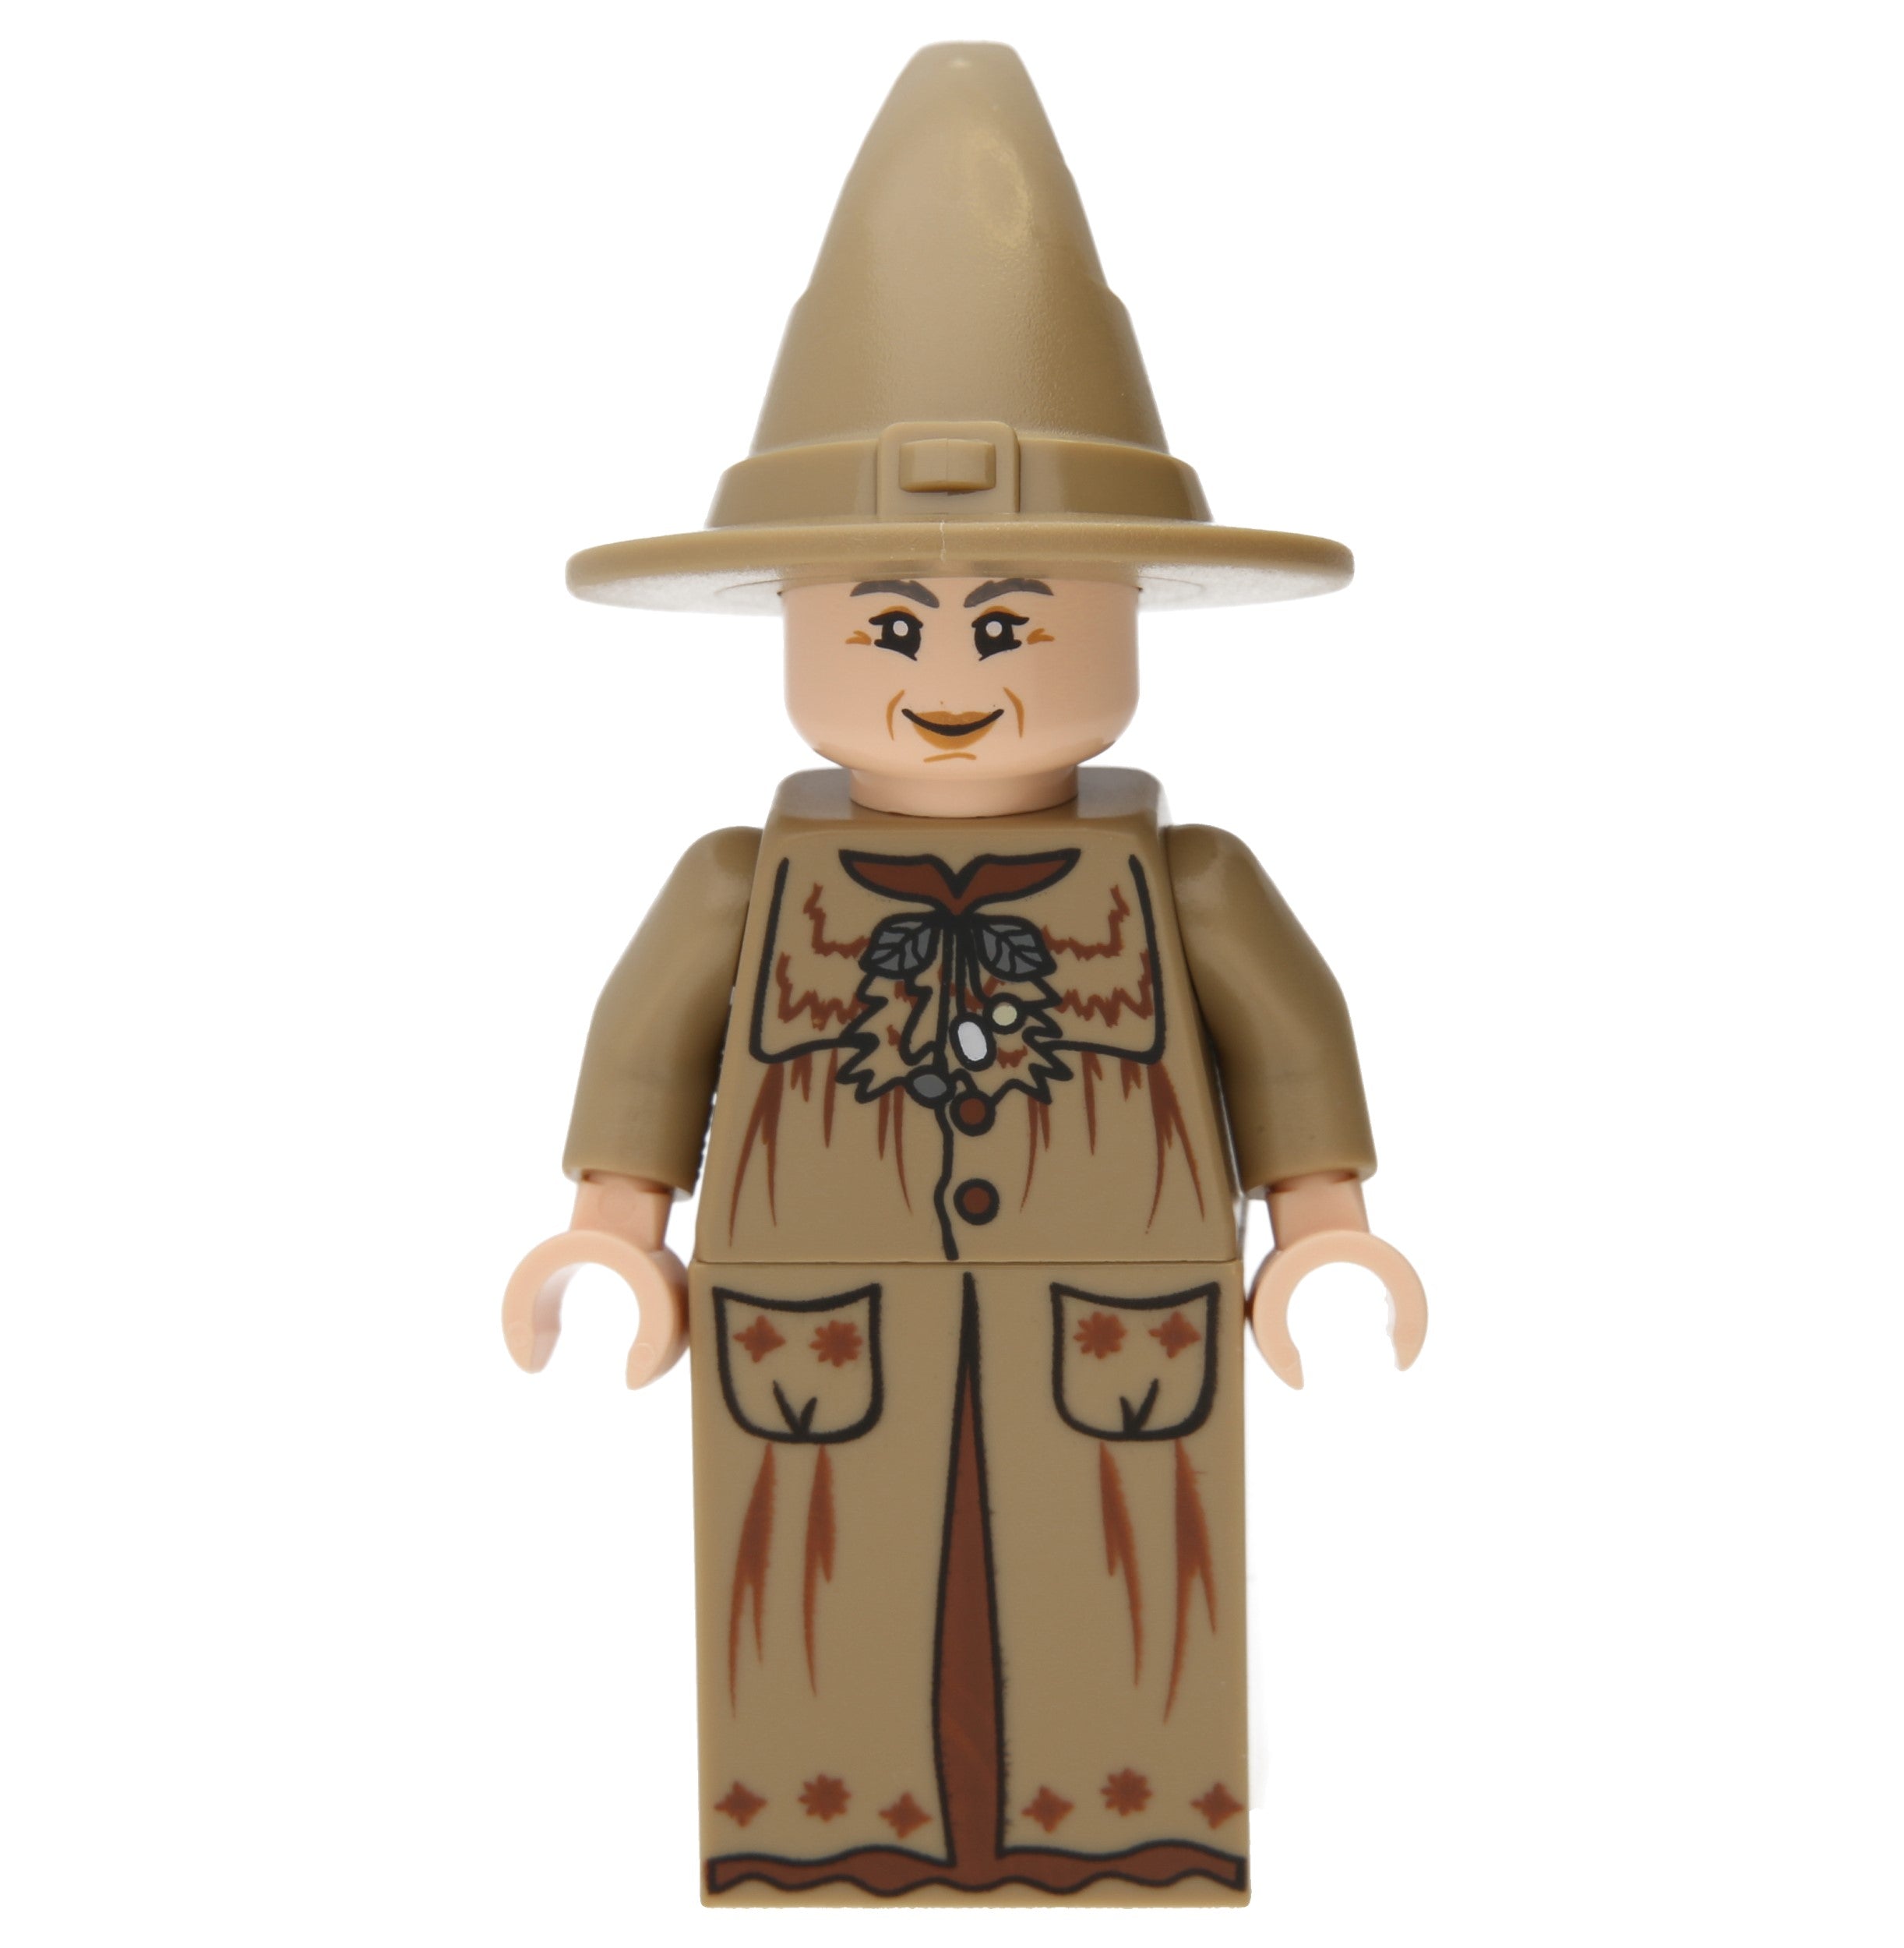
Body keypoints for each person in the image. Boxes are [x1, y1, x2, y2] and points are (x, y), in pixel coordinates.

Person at [502, 43, 1425, 1907]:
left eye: (1009, 622)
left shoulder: (1191, 885)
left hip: (1117, 1331)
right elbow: (649, 1057)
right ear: (789, 624)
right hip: (811, 1334)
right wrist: (613, 1231)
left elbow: (1285, 1048)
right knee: (813, 1607)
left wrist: (1319, 1230)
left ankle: (1122, 1842)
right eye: (885, 622)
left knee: (1121, 1607)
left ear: (1124, 613)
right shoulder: (733, 887)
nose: (946, 678)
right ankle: (828, 1847)